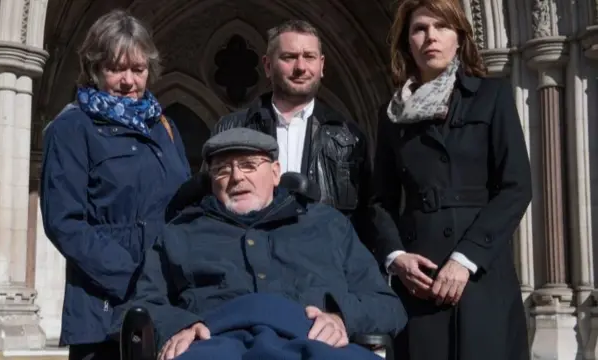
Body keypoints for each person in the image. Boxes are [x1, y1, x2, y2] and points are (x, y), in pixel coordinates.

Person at [129, 127, 407, 360]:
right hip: (215, 343)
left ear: (276, 173)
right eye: (223, 170)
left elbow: (386, 305)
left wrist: (342, 318)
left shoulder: (327, 225)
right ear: (211, 181)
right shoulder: (180, 232)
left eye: (249, 166)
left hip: (314, 341)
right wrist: (181, 326)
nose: (237, 177)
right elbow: (142, 305)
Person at [369, 0, 532, 359]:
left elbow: (516, 187)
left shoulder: (492, 97)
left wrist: (466, 259)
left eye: (441, 27)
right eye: (419, 29)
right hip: (419, 281)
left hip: (480, 274)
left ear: (459, 37)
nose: (431, 37)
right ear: (406, 43)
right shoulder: (391, 114)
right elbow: (380, 200)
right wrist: (396, 257)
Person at [40, 9, 191, 360]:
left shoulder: (164, 127)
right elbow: (64, 222)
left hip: (166, 301)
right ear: (94, 69)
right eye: (115, 69)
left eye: (137, 70)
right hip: (104, 305)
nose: (128, 81)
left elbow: (183, 204)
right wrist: (133, 274)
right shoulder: (72, 128)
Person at [210, 20, 373, 248]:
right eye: (289, 57)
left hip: (324, 265)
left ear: (322, 65)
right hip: (251, 264)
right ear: (267, 66)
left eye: (309, 57)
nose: (300, 67)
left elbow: (367, 217)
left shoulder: (349, 137)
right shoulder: (230, 130)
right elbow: (209, 207)